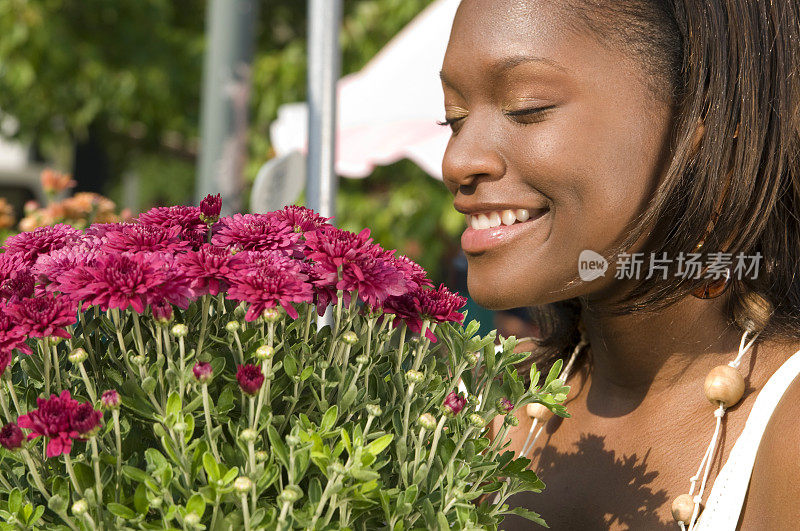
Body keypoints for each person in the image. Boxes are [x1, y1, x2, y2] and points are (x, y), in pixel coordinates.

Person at [438, 0, 800, 529]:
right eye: (454, 117)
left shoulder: (785, 430)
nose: (457, 162)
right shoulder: (483, 412)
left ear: (704, 124)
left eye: (526, 107)